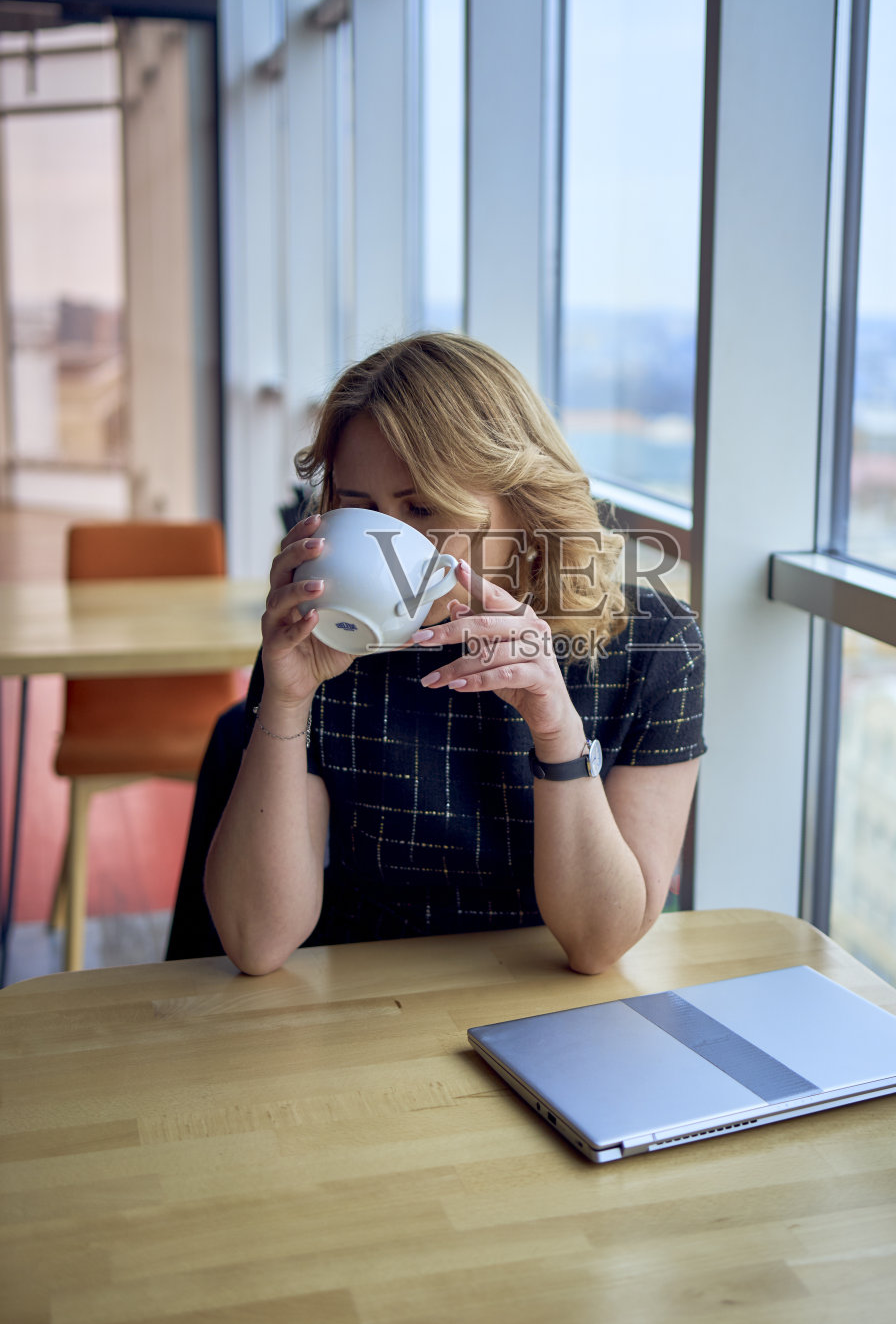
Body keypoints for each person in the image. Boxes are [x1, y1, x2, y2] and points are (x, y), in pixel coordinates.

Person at [205, 334, 705, 976]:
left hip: (550, 1007)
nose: (388, 543)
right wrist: (285, 698)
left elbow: (598, 944)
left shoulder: (652, 646)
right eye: (357, 508)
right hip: (366, 997)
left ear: (520, 509)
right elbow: (256, 940)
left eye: (421, 507)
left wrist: (556, 729)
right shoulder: (319, 639)